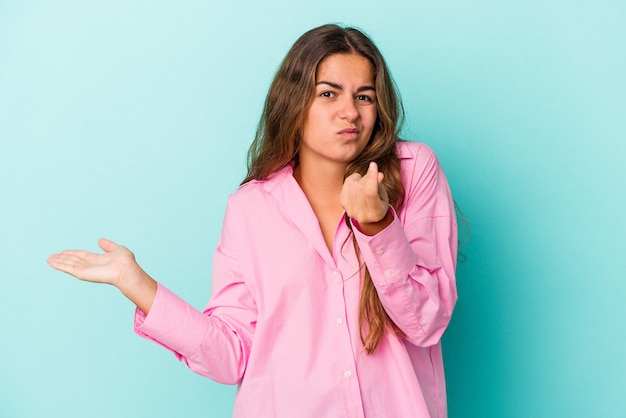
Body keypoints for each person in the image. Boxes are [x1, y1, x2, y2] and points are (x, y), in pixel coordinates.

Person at [48, 24, 458, 418]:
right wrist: (138, 285)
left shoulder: (412, 171)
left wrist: (377, 226)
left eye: (364, 97)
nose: (349, 111)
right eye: (329, 94)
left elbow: (425, 322)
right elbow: (230, 355)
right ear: (295, 102)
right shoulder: (250, 208)